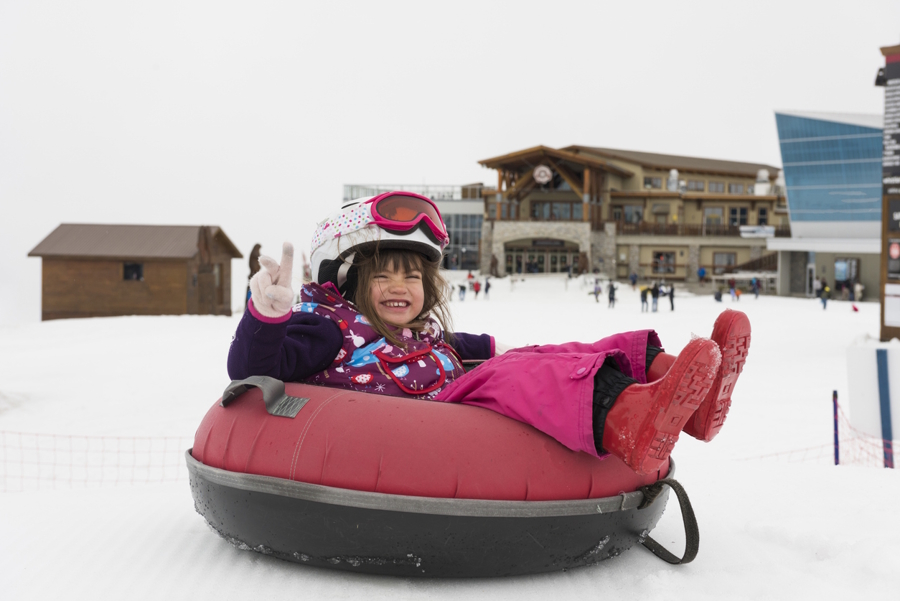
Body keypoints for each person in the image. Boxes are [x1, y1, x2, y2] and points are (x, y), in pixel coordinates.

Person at [229, 191, 752, 476]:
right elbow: (256, 368)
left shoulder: (424, 334)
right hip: (424, 420)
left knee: (551, 357)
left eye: (412, 276)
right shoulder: (330, 328)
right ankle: (627, 418)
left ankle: (679, 385)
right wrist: (268, 315)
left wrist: (542, 351)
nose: (399, 287)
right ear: (350, 282)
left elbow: (481, 349)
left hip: (449, 397)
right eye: (382, 275)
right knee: (519, 378)